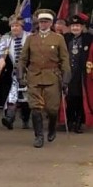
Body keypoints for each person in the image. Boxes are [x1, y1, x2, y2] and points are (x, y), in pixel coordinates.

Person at [19, 9, 71, 147]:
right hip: (34, 75)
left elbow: (65, 59)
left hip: (52, 76)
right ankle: (39, 136)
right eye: (41, 21)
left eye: (46, 21)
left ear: (51, 23)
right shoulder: (31, 38)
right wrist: (20, 74)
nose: (43, 24)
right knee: (35, 107)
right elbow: (23, 58)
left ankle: (52, 127)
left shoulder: (58, 38)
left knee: (52, 108)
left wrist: (66, 78)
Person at [0, 15, 31, 129]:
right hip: (15, 72)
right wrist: (0, 58)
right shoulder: (7, 38)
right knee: (12, 95)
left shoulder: (30, 37)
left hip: (29, 72)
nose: (14, 28)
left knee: (26, 98)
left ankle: (25, 119)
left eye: (17, 26)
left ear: (22, 26)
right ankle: (9, 118)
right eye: (12, 26)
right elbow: (0, 51)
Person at [64, 13, 93, 133]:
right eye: (73, 25)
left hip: (82, 74)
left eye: (78, 26)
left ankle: (79, 122)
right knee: (69, 98)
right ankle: (69, 120)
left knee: (81, 98)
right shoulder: (65, 38)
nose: (75, 28)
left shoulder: (89, 38)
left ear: (82, 27)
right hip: (68, 72)